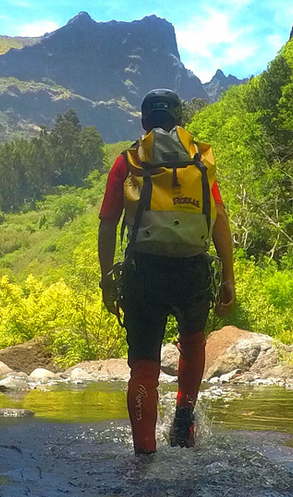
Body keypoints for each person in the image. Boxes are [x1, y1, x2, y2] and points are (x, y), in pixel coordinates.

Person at [97, 89, 235, 455]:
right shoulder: (200, 162)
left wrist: (107, 277)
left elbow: (108, 223)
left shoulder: (128, 161)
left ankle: (145, 454)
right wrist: (228, 276)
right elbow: (219, 218)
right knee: (192, 342)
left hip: (144, 272)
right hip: (193, 269)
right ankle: (183, 420)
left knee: (144, 365)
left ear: (143, 122)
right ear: (179, 120)